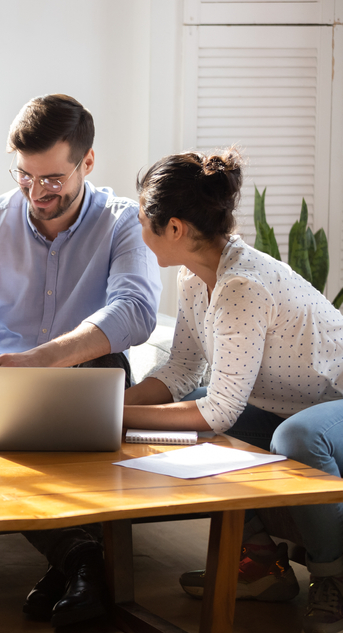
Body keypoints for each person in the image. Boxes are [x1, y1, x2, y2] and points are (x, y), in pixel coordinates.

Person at [0, 94, 162, 626]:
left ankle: (72, 564)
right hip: (7, 389)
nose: (37, 193)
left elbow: (136, 312)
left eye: (53, 179)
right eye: (25, 176)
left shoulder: (124, 222)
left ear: (88, 162)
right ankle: (82, 560)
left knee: (99, 374)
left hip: (90, 374)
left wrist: (36, 362)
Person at [124, 147, 343, 633]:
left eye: (143, 220)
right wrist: (109, 404)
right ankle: (262, 563)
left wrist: (113, 418)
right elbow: (182, 371)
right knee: (187, 423)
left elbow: (220, 410)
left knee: (297, 438)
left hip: (335, 404)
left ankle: (333, 576)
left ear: (174, 228)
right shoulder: (194, 278)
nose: (139, 232)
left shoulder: (242, 284)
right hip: (289, 404)